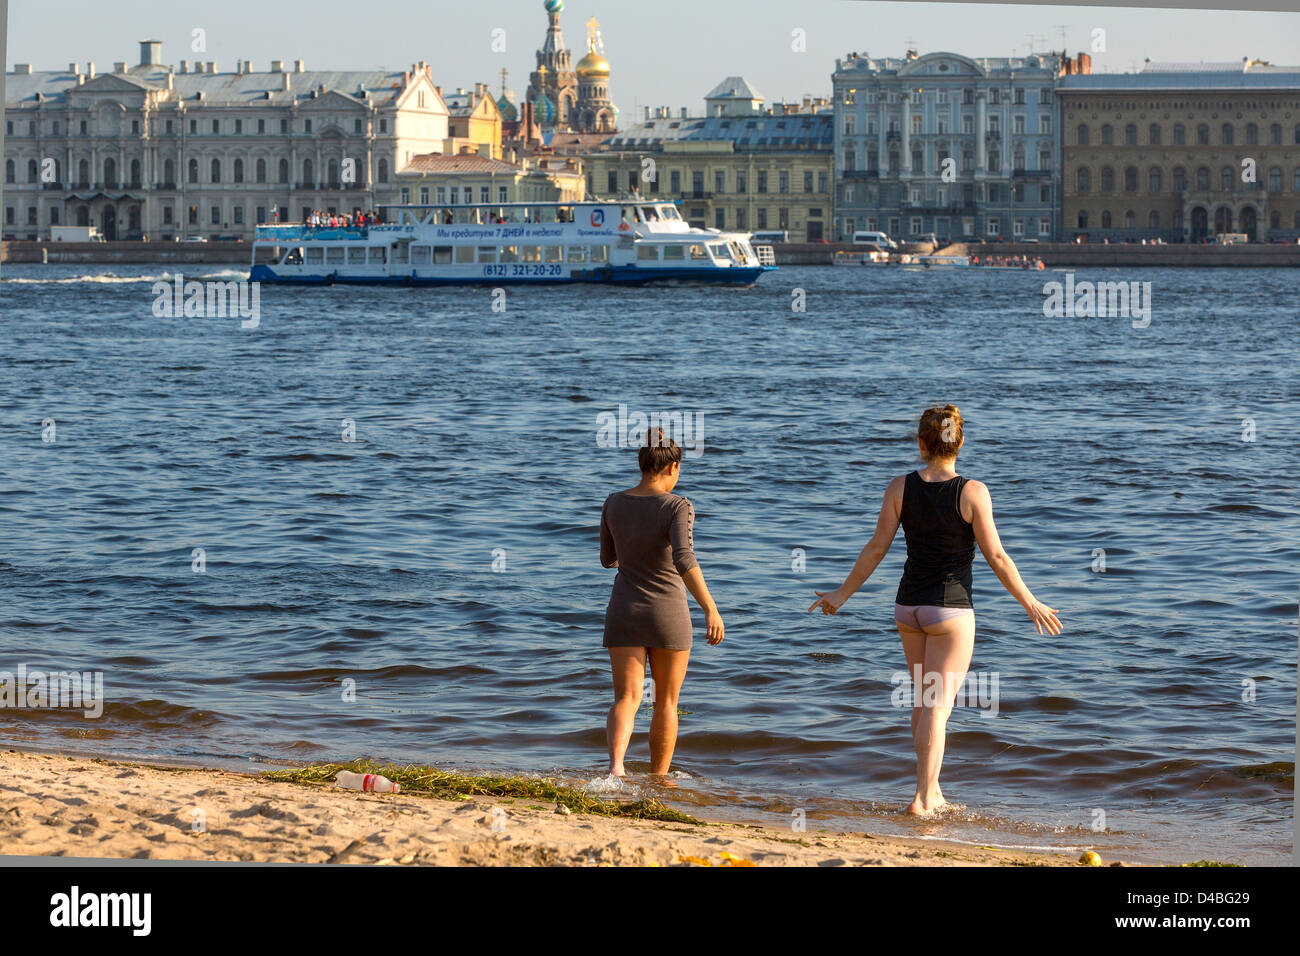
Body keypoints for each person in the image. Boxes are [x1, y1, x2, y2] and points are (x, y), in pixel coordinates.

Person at [808, 404, 1061, 816]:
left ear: (922, 443)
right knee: (938, 708)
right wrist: (1029, 601)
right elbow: (996, 555)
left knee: (923, 703)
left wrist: (842, 593)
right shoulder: (973, 492)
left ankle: (933, 790)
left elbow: (877, 547)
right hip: (950, 613)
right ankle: (924, 800)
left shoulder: (899, 487)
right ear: (959, 443)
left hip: (908, 609)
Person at [600, 428, 724, 778]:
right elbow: (684, 558)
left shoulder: (613, 502)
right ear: (672, 467)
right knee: (666, 701)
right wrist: (710, 608)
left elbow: (608, 558)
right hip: (667, 612)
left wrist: (634, 547)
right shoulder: (678, 505)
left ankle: (616, 770)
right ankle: (658, 778)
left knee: (627, 698)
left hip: (623, 610)